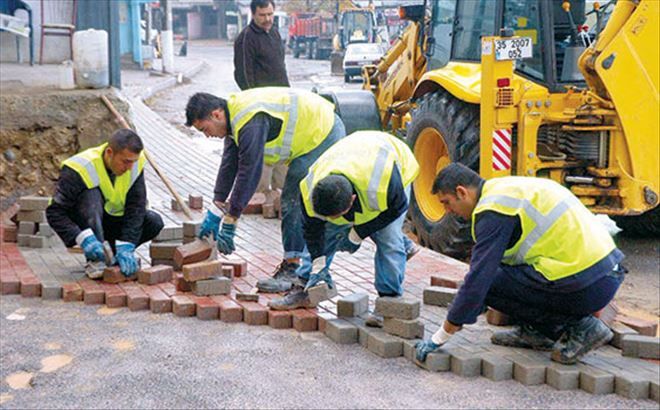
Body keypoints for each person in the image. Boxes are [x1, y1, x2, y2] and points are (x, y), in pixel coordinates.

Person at [415, 163, 625, 365]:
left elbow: (479, 279)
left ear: (462, 192)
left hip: (587, 284)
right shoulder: (506, 190)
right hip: (605, 272)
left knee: (489, 284)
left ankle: (579, 327)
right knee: (497, 275)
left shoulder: (493, 211)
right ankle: (537, 332)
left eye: (446, 202)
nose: (448, 210)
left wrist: (440, 336)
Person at [184, 88, 346, 292]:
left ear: (216, 114)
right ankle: (299, 263)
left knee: (294, 196)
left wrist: (231, 219)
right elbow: (229, 165)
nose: (207, 136)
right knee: (294, 194)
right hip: (313, 133)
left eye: (204, 129)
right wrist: (216, 209)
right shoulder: (235, 121)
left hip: (324, 132)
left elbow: (249, 170)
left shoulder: (250, 120)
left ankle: (293, 268)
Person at [268, 131, 421, 325]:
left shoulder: (382, 183)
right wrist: (318, 263)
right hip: (351, 154)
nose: (333, 219)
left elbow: (395, 209)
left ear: (352, 200)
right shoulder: (310, 189)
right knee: (330, 230)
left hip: (396, 162)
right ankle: (305, 287)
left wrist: (357, 233)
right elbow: (313, 231)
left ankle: (389, 301)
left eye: (338, 215)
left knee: (388, 237)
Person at [46, 129, 164, 278]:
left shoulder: (134, 165)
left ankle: (113, 255)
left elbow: (136, 208)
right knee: (91, 196)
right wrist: (80, 237)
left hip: (112, 224)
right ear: (109, 153)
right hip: (88, 226)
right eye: (126, 161)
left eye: (133, 161)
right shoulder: (80, 167)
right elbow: (54, 212)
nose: (130, 168)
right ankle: (95, 258)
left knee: (153, 221)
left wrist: (127, 244)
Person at [233, 0, 289, 90]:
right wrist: (253, 97)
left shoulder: (274, 33)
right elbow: (243, 74)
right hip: (261, 98)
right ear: (253, 14)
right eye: (262, 15)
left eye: (270, 14)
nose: (267, 19)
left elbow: (280, 65)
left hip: (281, 94)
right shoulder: (246, 38)